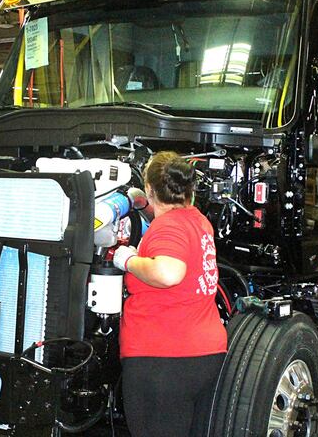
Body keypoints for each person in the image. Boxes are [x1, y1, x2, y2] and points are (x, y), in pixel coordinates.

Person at [112, 151, 227, 437]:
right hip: (203, 353)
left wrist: (127, 260)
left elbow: (168, 273)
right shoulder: (198, 221)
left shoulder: (169, 225)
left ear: (149, 190)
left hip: (163, 359)